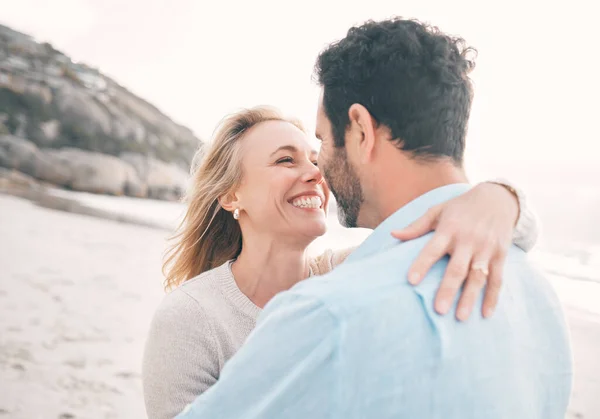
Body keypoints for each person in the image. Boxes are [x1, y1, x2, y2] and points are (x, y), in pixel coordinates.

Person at [173, 18, 572, 419]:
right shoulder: (540, 298)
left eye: (323, 142)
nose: (319, 167)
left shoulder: (329, 316)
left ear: (361, 130)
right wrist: (504, 197)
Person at [143, 105, 538, 419]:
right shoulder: (191, 317)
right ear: (231, 196)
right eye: (286, 161)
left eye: (315, 160)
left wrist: (500, 197)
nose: (316, 174)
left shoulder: (351, 274)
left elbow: (509, 230)